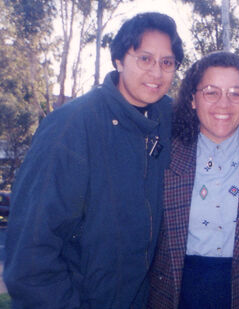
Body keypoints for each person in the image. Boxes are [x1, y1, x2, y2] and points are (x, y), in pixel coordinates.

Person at [4, 12, 183, 308]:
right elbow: (30, 256)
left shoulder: (167, 118)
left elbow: (220, 119)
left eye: (167, 62)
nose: (157, 72)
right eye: (145, 59)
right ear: (119, 60)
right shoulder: (70, 127)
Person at [148, 51, 239, 308]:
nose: (224, 104)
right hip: (178, 291)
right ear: (193, 99)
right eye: (211, 92)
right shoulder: (164, 152)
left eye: (235, 93)